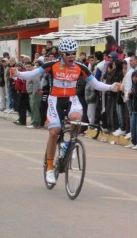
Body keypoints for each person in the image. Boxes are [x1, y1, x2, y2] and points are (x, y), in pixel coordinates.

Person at [14, 37, 120, 185]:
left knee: (77, 120)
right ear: (62, 54)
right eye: (68, 53)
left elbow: (94, 83)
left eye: (74, 53)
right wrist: (18, 74)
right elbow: (33, 74)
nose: (71, 56)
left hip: (71, 99)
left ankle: (68, 145)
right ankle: (50, 168)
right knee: (54, 131)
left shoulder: (80, 67)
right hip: (55, 100)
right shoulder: (52, 65)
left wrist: (110, 87)